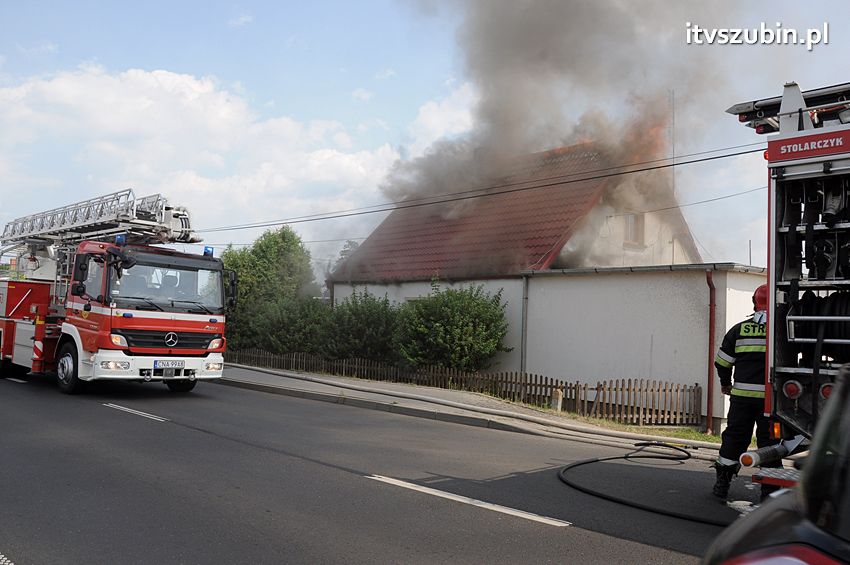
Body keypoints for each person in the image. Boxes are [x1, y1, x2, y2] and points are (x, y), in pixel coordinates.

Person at [712, 283, 780, 499]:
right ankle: (769, 490)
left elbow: (722, 362)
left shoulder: (739, 329)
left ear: (754, 302)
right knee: (769, 444)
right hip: (771, 402)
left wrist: (725, 383)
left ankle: (722, 484)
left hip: (741, 399)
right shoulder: (782, 330)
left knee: (734, 438)